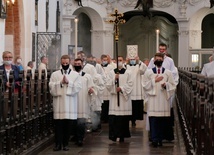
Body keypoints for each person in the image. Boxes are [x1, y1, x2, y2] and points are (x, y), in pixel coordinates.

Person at [142, 53, 176, 147]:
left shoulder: (168, 72)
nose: (158, 60)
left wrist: (166, 85)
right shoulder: (149, 72)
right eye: (157, 59)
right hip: (153, 99)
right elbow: (144, 85)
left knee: (162, 121)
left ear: (163, 60)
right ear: (154, 61)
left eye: (160, 59)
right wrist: (154, 81)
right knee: (153, 120)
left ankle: (160, 139)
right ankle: (154, 139)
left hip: (163, 100)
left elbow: (173, 86)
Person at [49, 55, 82, 151]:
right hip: (59, 104)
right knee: (58, 125)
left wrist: (69, 83)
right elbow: (51, 86)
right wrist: (59, 83)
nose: (65, 65)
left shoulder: (75, 75)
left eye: (67, 63)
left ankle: (66, 144)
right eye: (63, 63)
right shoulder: (55, 74)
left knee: (68, 126)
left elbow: (78, 87)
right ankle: (58, 144)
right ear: (60, 63)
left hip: (70, 104)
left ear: (70, 62)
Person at [106, 56, 133, 142]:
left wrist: (121, 88)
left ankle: (122, 135)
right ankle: (114, 135)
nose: (119, 62)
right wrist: (115, 79)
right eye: (118, 61)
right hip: (114, 99)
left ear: (124, 61)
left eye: (121, 60)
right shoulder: (111, 73)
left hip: (124, 100)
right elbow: (107, 85)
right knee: (114, 119)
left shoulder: (128, 72)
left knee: (123, 119)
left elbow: (131, 84)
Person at [73, 58, 96, 146]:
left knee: (81, 121)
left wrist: (91, 90)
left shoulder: (87, 76)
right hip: (73, 101)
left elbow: (92, 87)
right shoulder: (71, 75)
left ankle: (80, 139)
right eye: (76, 63)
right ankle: (75, 136)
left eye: (79, 63)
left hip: (83, 101)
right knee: (74, 122)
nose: (77, 65)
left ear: (82, 65)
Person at [125, 56, 147, 127]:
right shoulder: (126, 66)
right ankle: (130, 119)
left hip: (137, 89)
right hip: (129, 90)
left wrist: (139, 61)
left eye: (133, 59)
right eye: (131, 59)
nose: (132, 60)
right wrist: (126, 61)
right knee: (129, 106)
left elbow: (144, 70)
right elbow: (122, 71)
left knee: (135, 106)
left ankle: (134, 120)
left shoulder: (139, 66)